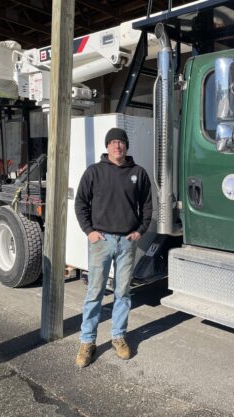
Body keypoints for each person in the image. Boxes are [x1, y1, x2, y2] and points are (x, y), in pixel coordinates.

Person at [73, 127, 152, 367]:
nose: (117, 146)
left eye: (121, 142)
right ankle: (87, 342)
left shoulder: (139, 173)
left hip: (127, 242)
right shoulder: (94, 172)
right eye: (113, 142)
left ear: (127, 146)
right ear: (107, 147)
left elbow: (147, 206)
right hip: (102, 241)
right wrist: (90, 232)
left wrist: (140, 230)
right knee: (94, 292)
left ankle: (118, 337)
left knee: (123, 293)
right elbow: (80, 203)